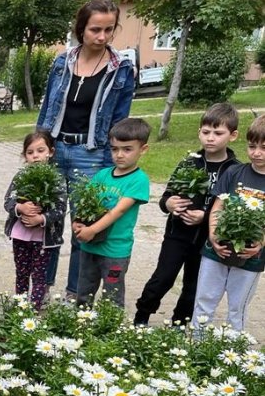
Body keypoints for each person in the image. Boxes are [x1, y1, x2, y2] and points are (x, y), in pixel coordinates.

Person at [37, 0, 135, 299]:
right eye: (95, 29)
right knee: (48, 223)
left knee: (83, 228)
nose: (102, 36)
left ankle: (74, 294)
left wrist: (112, 163)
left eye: (108, 29)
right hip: (55, 149)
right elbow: (47, 107)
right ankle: (41, 289)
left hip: (91, 155)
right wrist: (39, 146)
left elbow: (120, 120)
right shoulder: (62, 62)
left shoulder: (121, 68)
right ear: (81, 29)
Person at [134, 104, 240, 326]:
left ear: (233, 135)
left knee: (194, 284)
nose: (210, 138)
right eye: (206, 132)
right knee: (163, 278)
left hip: (207, 240)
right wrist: (169, 203)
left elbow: (233, 209)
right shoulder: (189, 162)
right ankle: (141, 317)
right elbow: (166, 196)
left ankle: (180, 324)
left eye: (218, 133)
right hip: (177, 234)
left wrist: (205, 217)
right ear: (199, 132)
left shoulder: (235, 170)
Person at [191, 115, 265, 332]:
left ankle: (234, 347)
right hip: (216, 250)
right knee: (204, 299)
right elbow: (218, 206)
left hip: (250, 256)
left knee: (237, 306)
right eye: (252, 146)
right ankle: (197, 342)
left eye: (264, 148)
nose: (256, 153)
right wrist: (213, 235)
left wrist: (260, 243)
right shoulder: (234, 172)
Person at [73, 118, 151, 308]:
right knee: (83, 293)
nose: (119, 155)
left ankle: (110, 326)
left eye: (127, 149)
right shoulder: (102, 175)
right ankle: (81, 322)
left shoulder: (139, 180)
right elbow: (86, 202)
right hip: (90, 247)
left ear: (143, 149)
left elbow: (118, 211)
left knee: (112, 297)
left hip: (115, 250)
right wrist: (77, 222)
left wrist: (91, 230)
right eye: (114, 149)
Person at [2, 130, 67, 311]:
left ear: (50, 152)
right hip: (21, 235)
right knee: (21, 273)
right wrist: (20, 208)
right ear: (25, 156)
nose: (35, 156)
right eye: (30, 152)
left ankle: (34, 309)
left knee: (39, 276)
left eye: (40, 150)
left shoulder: (56, 179)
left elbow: (61, 208)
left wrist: (41, 218)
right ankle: (20, 307)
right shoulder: (21, 176)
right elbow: (8, 201)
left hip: (43, 238)